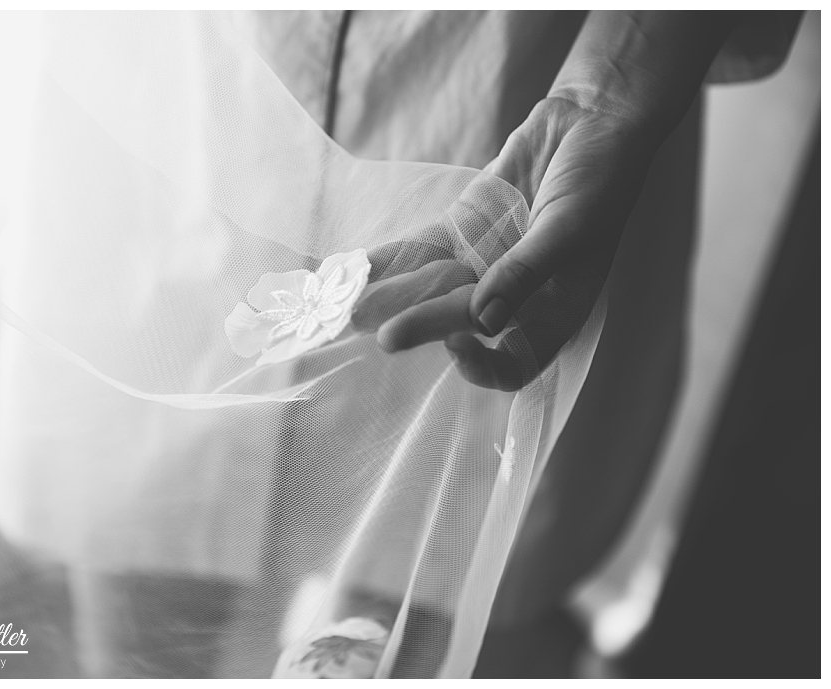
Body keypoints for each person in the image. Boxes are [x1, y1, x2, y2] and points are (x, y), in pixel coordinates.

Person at [241, 9, 802, 675]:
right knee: (173, 539)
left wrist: (603, 92)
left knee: (442, 586)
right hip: (222, 95)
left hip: (527, 98)